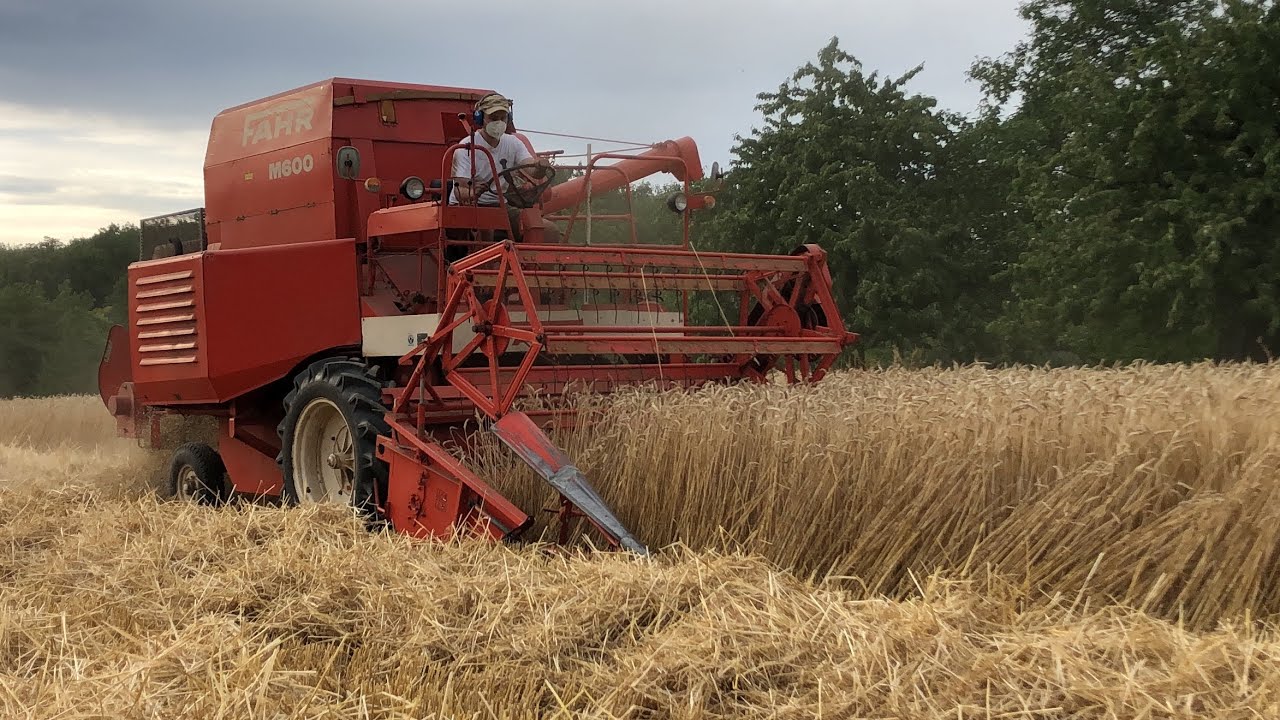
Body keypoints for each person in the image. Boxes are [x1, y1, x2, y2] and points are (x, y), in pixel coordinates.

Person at [450, 92, 551, 207]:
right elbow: (460, 191)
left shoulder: (513, 143)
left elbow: (531, 169)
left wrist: (540, 166)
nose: (499, 123)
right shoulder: (465, 147)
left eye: (503, 118)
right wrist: (473, 193)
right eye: (493, 118)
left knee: (534, 218)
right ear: (480, 118)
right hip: (468, 206)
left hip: (500, 204)